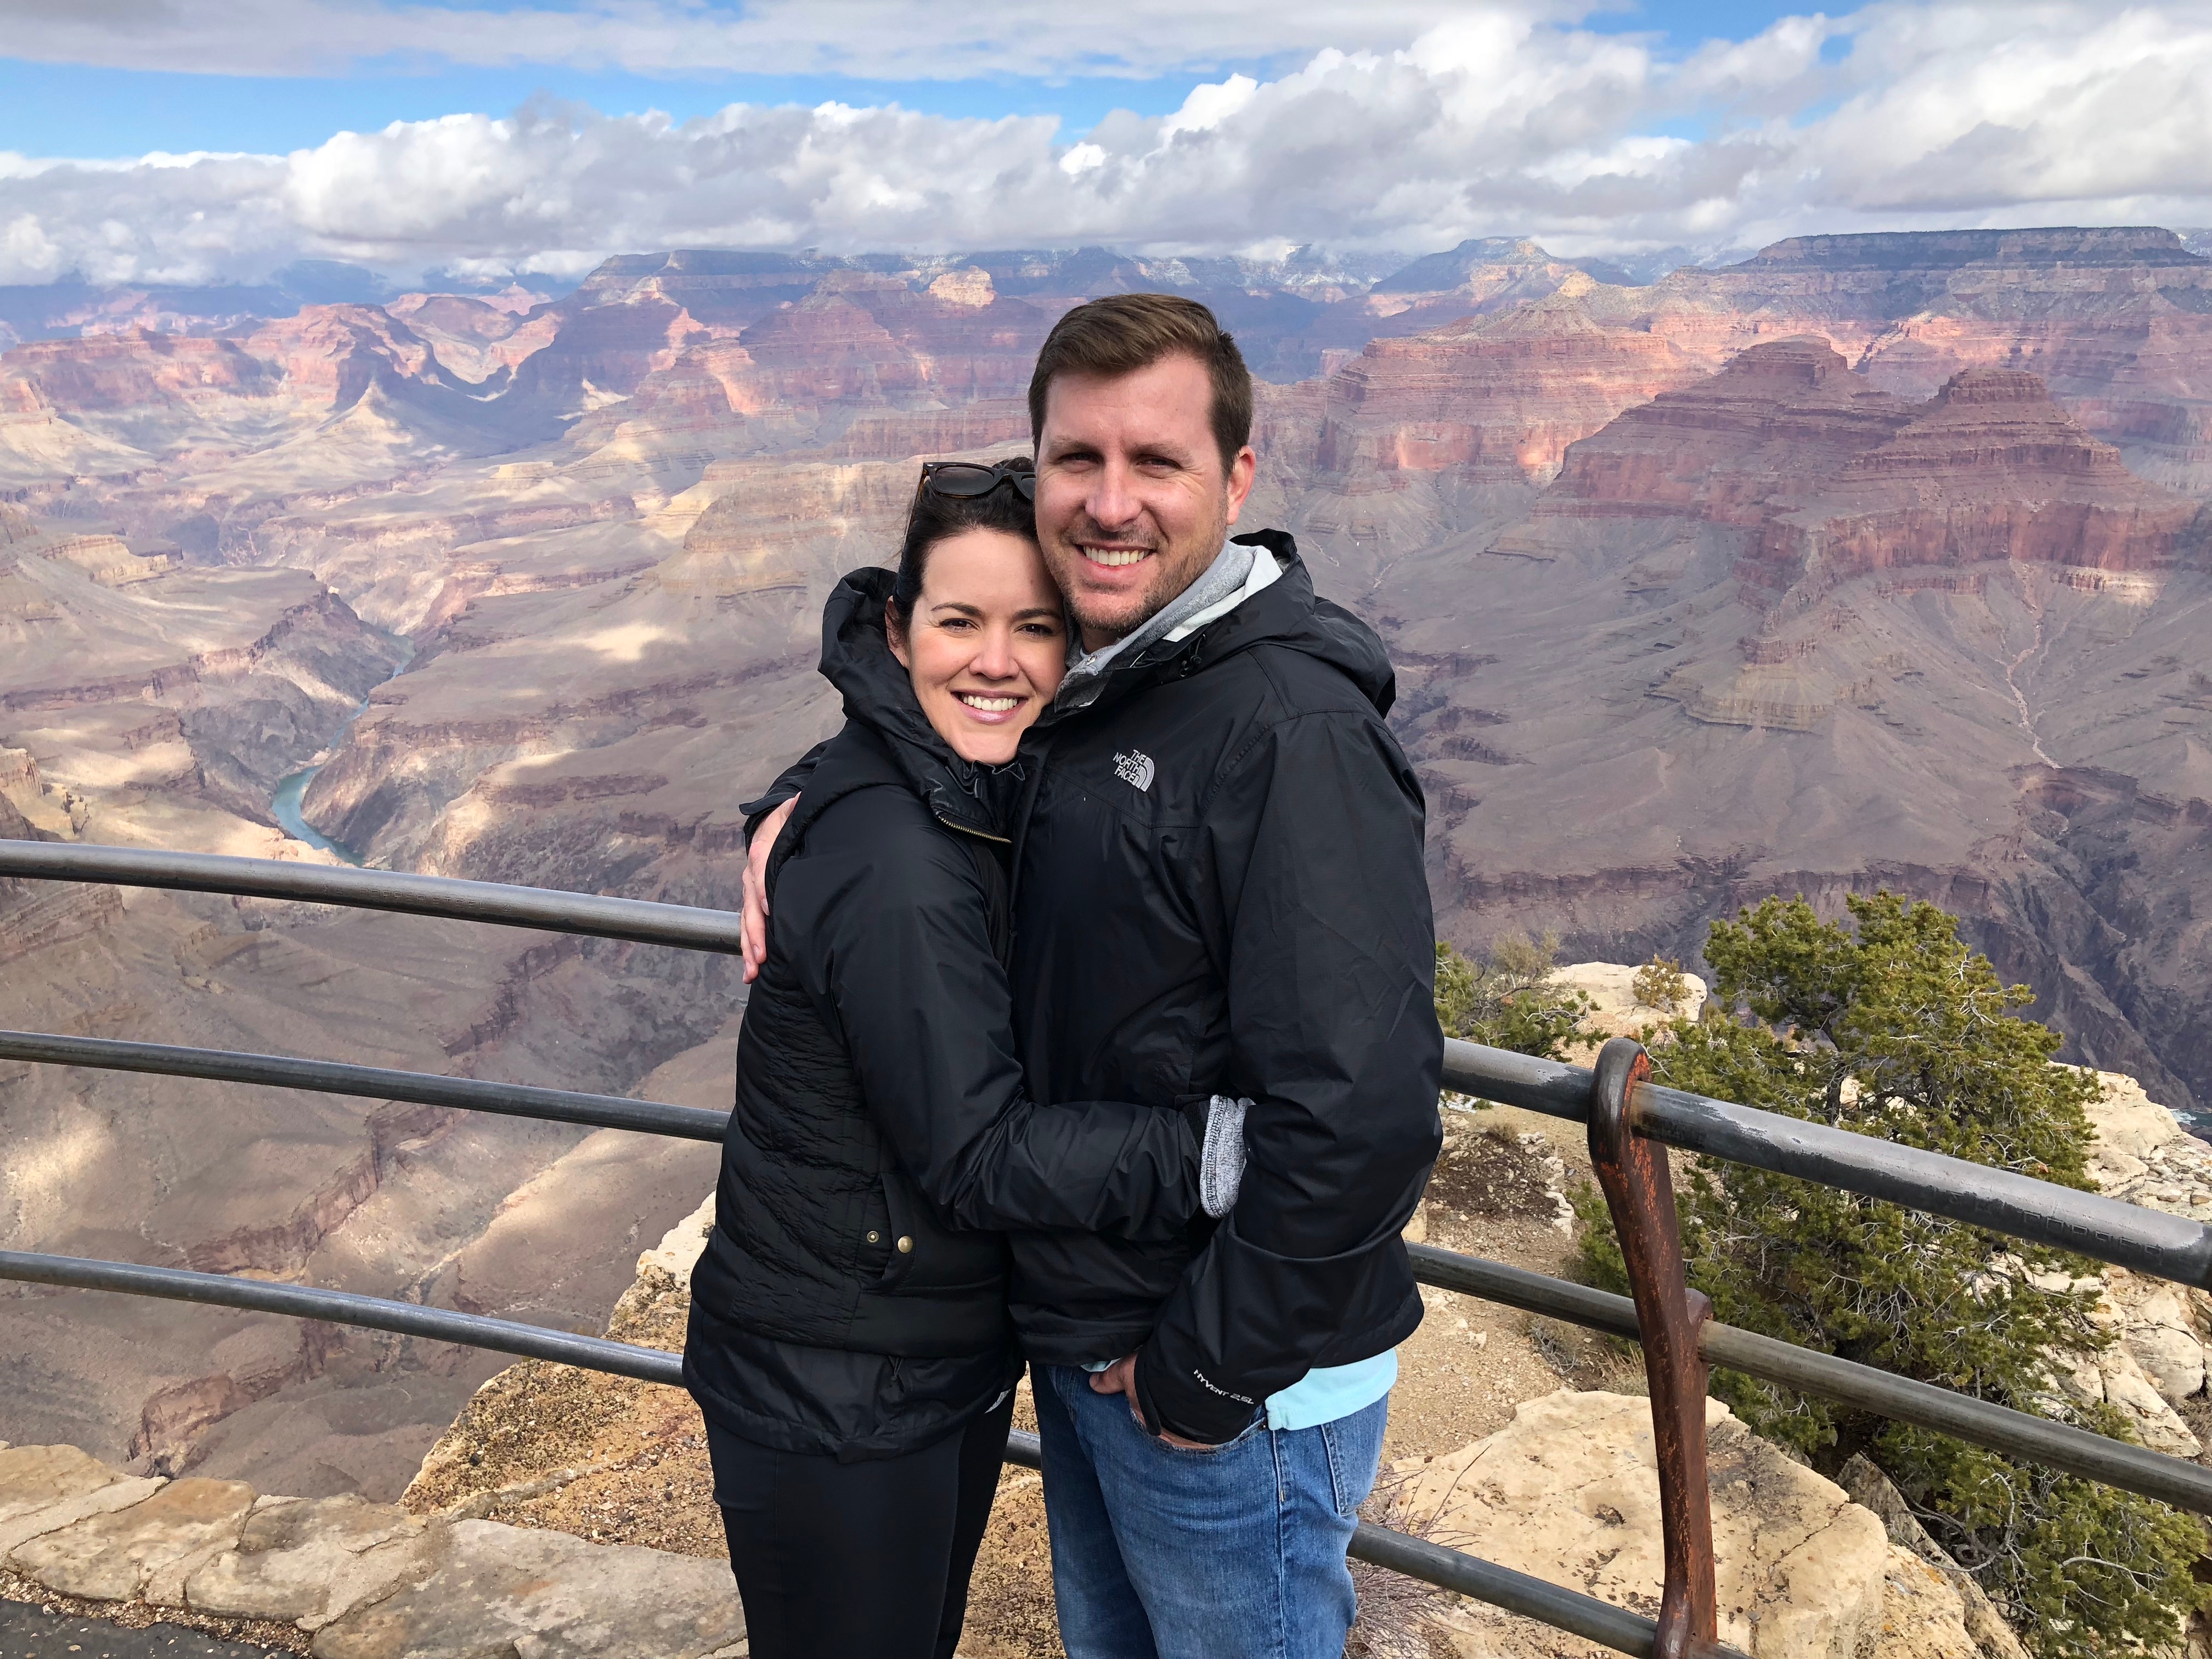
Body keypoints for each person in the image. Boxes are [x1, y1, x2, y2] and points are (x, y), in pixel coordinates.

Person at [744, 295, 1442, 1659]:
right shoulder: (1106, 667)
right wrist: (808, 797)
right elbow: (951, 702)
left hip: (1227, 1390)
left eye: (1157, 462)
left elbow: (1362, 1116)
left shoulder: (1289, 733)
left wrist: (1205, 1372)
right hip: (1091, 1339)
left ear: (1237, 480)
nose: (1111, 503)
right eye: (1079, 459)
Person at [685, 456, 1208, 1659]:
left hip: (910, 1354)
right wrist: (1213, 1153)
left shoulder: (980, 780)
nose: (997, 660)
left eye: (1037, 627)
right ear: (897, 628)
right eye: (960, 621)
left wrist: (795, 793)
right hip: (836, 1378)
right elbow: (976, 1154)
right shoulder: (899, 862)